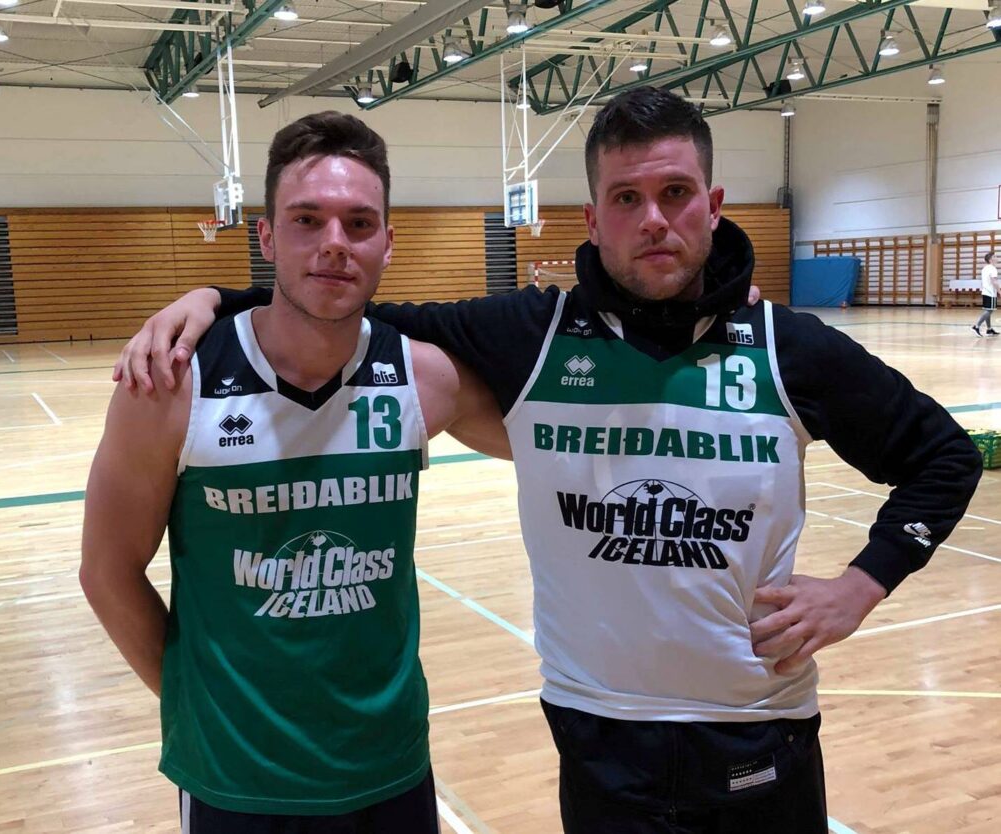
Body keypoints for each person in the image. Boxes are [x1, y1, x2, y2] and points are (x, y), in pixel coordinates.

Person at [115, 89, 982, 833]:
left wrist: (861, 585)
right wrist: (215, 299)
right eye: (627, 198)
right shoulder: (533, 336)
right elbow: (348, 308)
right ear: (593, 218)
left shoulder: (786, 348)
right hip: (598, 734)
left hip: (758, 729)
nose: (654, 219)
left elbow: (944, 455)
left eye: (676, 193)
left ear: (713, 205)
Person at [80, 111, 509, 834]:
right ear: (267, 236)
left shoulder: (425, 379)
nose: (334, 242)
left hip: (391, 765)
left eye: (359, 223)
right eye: (307, 220)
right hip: (237, 780)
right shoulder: (173, 385)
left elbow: (562, 447)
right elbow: (106, 572)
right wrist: (198, 702)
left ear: (387, 243)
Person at [973, 250, 998, 336]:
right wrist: (999, 291)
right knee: (989, 310)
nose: (997, 258)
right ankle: (976, 326)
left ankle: (989, 329)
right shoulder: (993, 269)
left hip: (985, 292)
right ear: (990, 259)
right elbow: (994, 282)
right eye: (995, 257)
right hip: (990, 292)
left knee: (988, 310)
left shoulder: (985, 268)